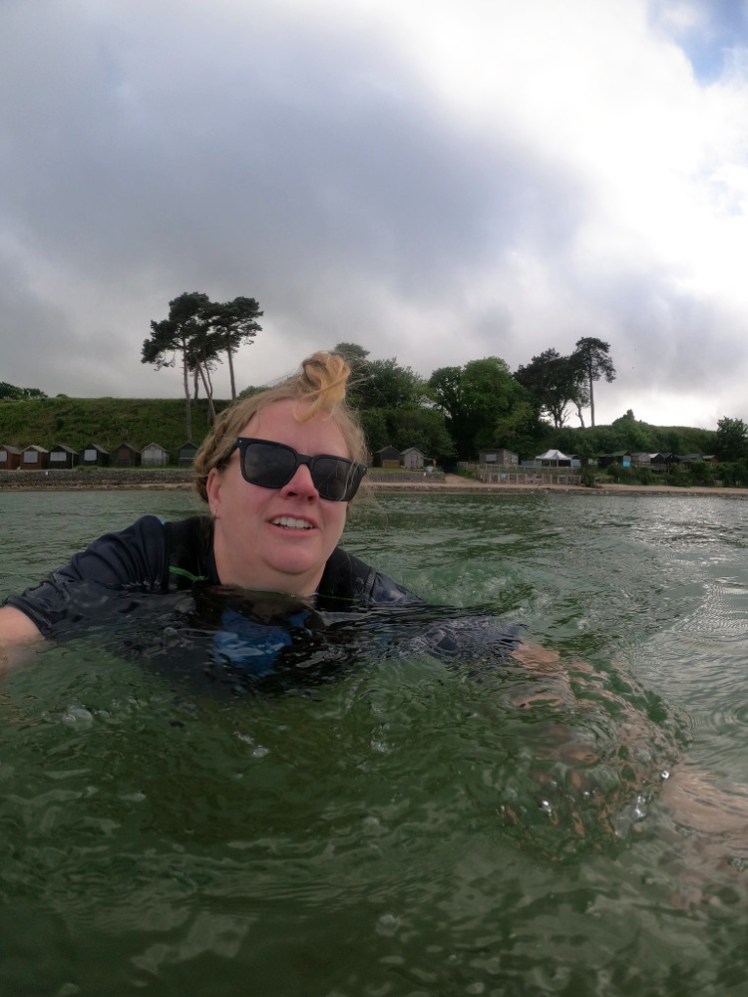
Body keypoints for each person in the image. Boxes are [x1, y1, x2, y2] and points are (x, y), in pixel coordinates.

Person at [0, 351, 423, 665]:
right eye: (269, 462)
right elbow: (18, 630)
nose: (304, 488)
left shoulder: (366, 600)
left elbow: (481, 650)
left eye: (331, 475)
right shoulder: (146, 561)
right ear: (216, 491)